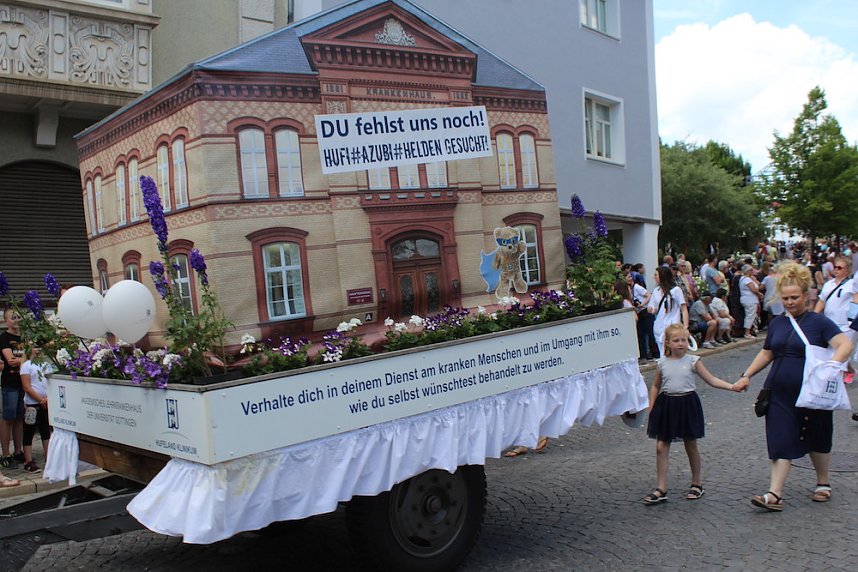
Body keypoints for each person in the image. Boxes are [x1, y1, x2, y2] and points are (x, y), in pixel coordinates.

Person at [733, 263, 853, 511]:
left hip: (813, 392)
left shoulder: (819, 323)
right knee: (779, 437)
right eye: (785, 298)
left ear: (807, 295)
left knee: (817, 434)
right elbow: (767, 354)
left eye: (794, 298)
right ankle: (774, 494)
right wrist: (747, 375)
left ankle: (823, 482)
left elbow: (844, 345)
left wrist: (830, 367)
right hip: (779, 392)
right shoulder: (778, 323)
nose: (789, 303)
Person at [642, 323, 744, 504]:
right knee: (661, 447)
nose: (681, 344)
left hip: (687, 404)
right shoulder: (662, 363)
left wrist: (732, 387)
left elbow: (711, 380)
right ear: (668, 343)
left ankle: (697, 483)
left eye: (683, 340)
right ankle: (661, 488)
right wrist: (651, 406)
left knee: (691, 445)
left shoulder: (693, 361)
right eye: (676, 340)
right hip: (667, 405)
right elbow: (656, 385)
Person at [814, 255, 855, 383]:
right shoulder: (828, 284)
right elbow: (822, 301)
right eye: (835, 267)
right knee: (833, 349)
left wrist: (852, 318)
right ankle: (849, 370)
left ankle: (836, 376)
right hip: (830, 322)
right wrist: (815, 316)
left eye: (839, 267)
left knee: (841, 349)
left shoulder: (852, 284)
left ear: (847, 270)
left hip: (846, 324)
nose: (836, 270)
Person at [20, 349, 54, 473]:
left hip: (45, 402)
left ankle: (49, 457)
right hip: (32, 403)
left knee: (45, 430)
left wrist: (48, 399)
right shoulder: (26, 365)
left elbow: (50, 382)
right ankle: (28, 461)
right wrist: (41, 400)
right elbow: (27, 387)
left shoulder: (46, 365)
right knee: (29, 430)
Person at [0, 308, 26, 469]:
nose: (16, 320)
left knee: (19, 418)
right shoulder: (4, 338)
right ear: (5, 321)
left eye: (18, 316)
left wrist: (22, 359)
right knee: (8, 418)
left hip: (23, 381)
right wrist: (25, 357)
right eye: (12, 317)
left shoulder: (25, 337)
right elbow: (11, 361)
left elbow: (32, 356)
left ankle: (18, 451)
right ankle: (5, 454)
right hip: (10, 382)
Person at [647, 266, 688, 357]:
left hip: (672, 325)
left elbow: (683, 308)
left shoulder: (676, 290)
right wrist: (651, 310)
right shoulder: (656, 291)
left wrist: (685, 326)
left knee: (672, 352)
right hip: (659, 326)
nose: (654, 277)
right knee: (663, 353)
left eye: (656, 275)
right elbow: (653, 307)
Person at [738, 265, 762, 338]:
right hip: (749, 300)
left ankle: (751, 330)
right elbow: (754, 289)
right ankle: (747, 332)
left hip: (750, 299)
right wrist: (759, 294)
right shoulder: (746, 280)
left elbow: (758, 284)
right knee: (750, 316)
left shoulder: (748, 278)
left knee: (752, 315)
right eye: (751, 270)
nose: (752, 271)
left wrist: (753, 278)